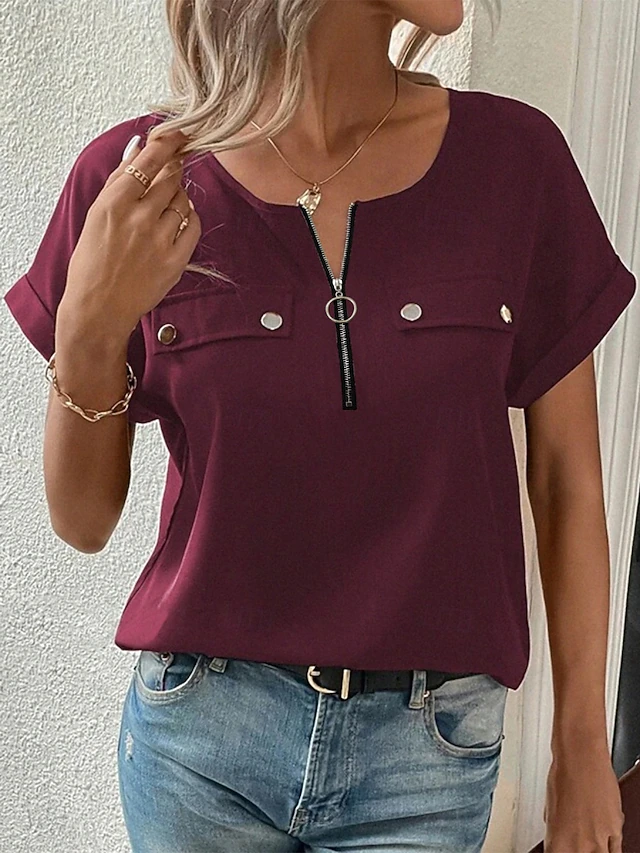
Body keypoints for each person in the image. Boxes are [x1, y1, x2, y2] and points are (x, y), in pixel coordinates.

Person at [3, 1, 636, 851]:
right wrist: (87, 326)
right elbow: (82, 521)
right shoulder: (139, 183)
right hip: (201, 742)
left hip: (427, 754)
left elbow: (566, 480)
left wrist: (582, 744)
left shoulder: (516, 162)